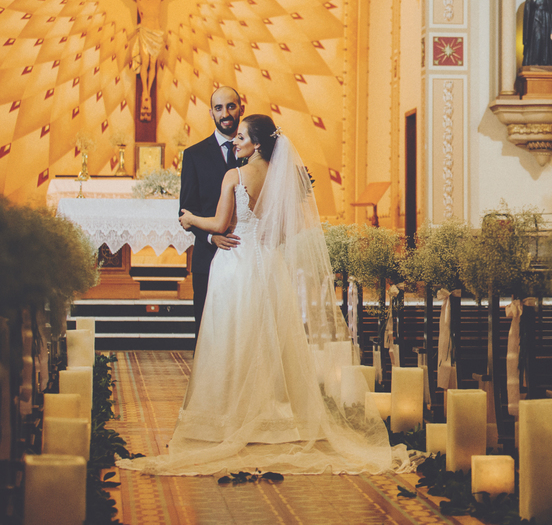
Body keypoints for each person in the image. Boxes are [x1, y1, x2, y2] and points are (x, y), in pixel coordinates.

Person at [119, 114, 406, 476]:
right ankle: (275, 414)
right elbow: (285, 231)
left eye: (241, 137)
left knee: (232, 335)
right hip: (269, 265)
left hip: (236, 263)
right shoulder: (282, 177)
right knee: (271, 337)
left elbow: (221, 225)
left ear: (256, 143)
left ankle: (228, 415)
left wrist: (192, 220)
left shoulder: (234, 176)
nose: (235, 141)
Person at [94, 0, 204, 121]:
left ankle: (148, 88)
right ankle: (145, 91)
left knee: (153, 64)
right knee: (144, 62)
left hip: (157, 33)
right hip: (145, 32)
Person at [179, 86, 244, 338]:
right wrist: (211, 236)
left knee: (241, 332)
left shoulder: (256, 153)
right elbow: (185, 211)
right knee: (207, 332)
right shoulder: (194, 155)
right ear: (211, 113)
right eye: (219, 108)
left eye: (231, 106)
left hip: (245, 256)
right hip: (208, 258)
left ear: (241, 108)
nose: (225, 113)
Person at [522, 0, 552, 66]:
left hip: (546, 20)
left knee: (545, 40)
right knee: (536, 38)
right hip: (535, 20)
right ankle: (534, 61)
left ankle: (545, 61)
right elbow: (528, 8)